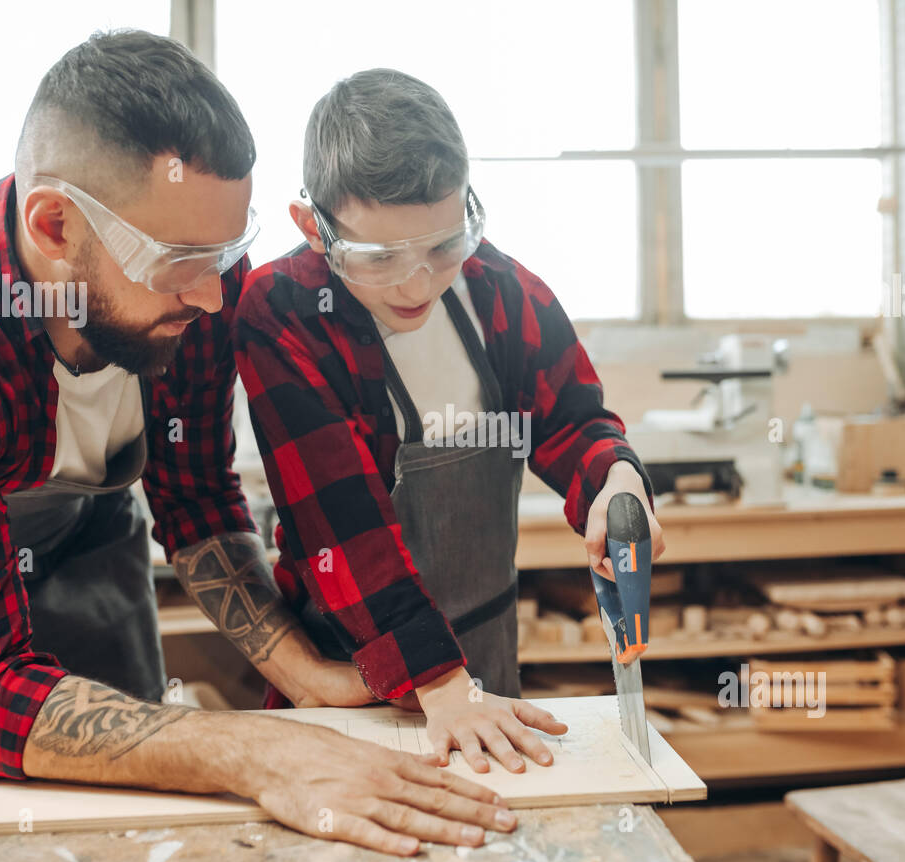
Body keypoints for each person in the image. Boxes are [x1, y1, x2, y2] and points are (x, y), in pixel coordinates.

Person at [0, 33, 511, 856]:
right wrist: (250, 749)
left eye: (227, 252)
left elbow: (194, 497)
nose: (218, 296)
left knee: (127, 809)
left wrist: (309, 685)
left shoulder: (198, 282)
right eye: (184, 261)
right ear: (53, 227)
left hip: (86, 527)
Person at [234, 69, 665, 775]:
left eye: (442, 246)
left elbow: (573, 423)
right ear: (315, 228)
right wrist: (441, 685)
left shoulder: (505, 291)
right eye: (381, 259)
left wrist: (616, 481)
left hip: (485, 665)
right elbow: (344, 528)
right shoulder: (279, 312)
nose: (419, 283)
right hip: (354, 676)